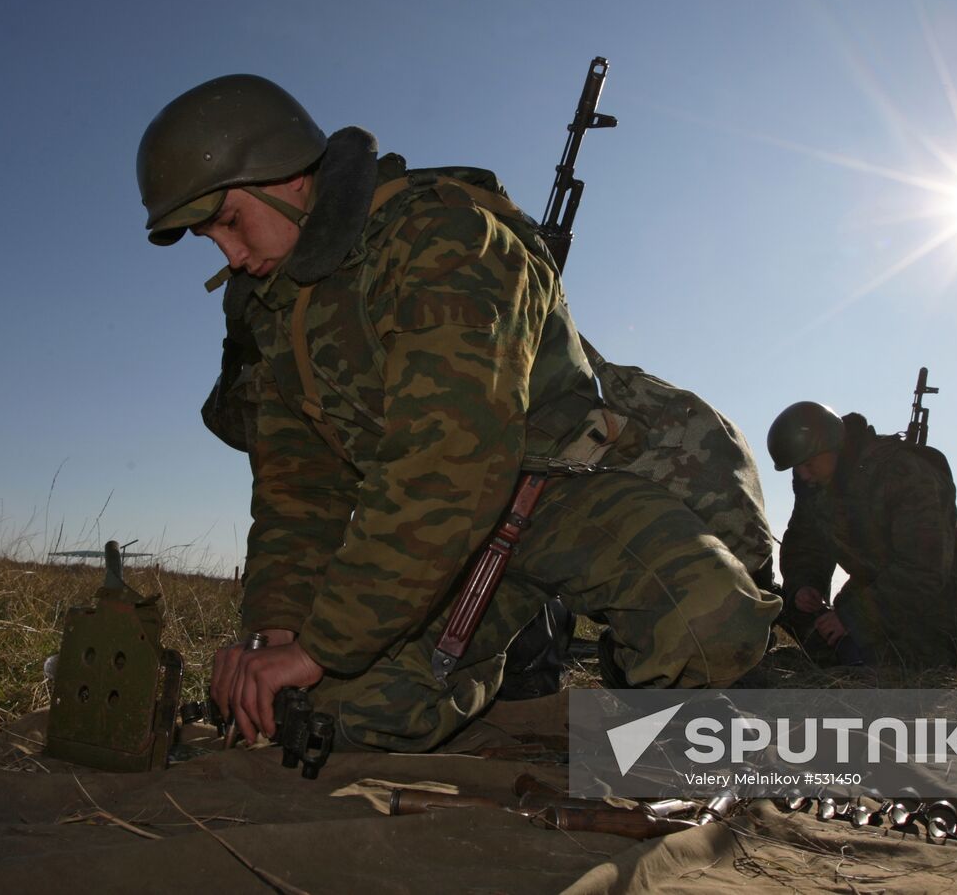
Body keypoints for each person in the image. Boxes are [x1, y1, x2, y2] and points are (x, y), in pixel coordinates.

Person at [136, 74, 782, 752]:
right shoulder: (275, 311)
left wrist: (324, 642)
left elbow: (447, 465)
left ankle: (666, 721)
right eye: (212, 238)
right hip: (459, 537)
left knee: (706, 624)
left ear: (287, 176)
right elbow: (299, 493)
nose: (232, 255)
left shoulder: (443, 239)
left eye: (231, 221)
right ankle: (529, 675)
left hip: (564, 484)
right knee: (336, 710)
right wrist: (278, 636)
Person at [766, 401, 957, 669]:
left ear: (833, 445)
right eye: (796, 467)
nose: (802, 475)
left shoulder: (906, 473)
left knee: (881, 661)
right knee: (822, 639)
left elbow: (924, 571)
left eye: (808, 464)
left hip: (948, 596)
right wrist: (805, 586)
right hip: (881, 590)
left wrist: (853, 618)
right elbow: (805, 545)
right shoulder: (817, 485)